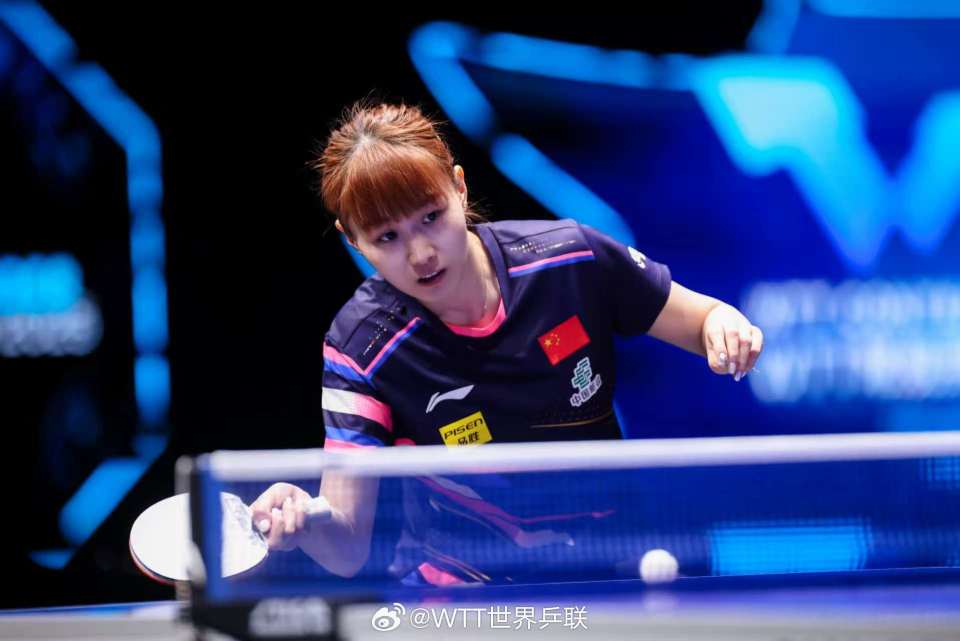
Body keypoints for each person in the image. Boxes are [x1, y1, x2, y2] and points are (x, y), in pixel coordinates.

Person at [251, 100, 763, 583]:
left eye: (431, 216)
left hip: (608, 563)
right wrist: (305, 521)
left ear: (459, 188)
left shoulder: (568, 260)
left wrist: (724, 325)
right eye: (388, 237)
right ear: (352, 239)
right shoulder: (362, 346)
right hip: (463, 591)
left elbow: (701, 319)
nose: (421, 253)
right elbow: (347, 547)